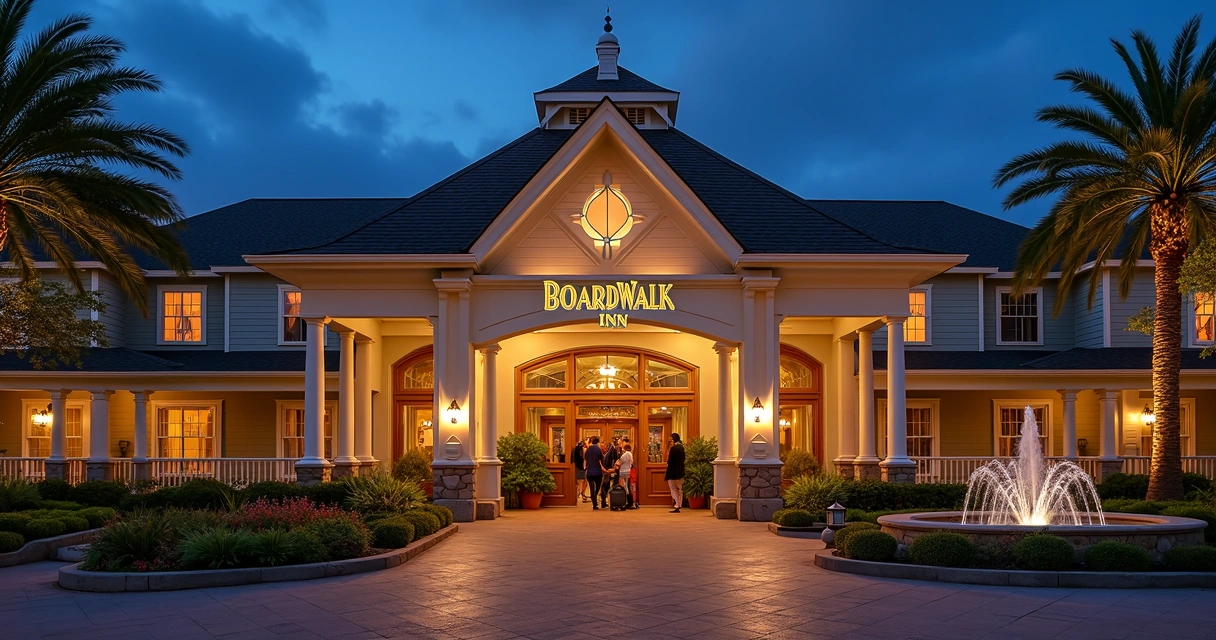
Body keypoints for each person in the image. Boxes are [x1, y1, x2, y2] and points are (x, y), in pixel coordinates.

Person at [665, 432, 686, 513]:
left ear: (673, 440)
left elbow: (670, 460)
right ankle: (680, 504)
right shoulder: (682, 448)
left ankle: (677, 504)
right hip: (680, 471)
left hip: (672, 472)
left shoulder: (673, 449)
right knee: (680, 488)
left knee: (673, 488)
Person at [583, 436, 605, 510]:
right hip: (598, 472)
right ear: (598, 442)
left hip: (589, 472)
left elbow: (585, 459)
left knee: (591, 487)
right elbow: (602, 459)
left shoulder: (588, 450)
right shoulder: (598, 450)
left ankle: (594, 504)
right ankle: (595, 497)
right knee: (597, 487)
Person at [599, 436, 621, 509]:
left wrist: (613, 468)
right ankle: (603, 501)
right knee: (603, 485)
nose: (602, 444)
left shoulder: (612, 448)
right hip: (601, 470)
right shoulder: (599, 449)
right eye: (601, 442)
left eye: (603, 441)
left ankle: (605, 501)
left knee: (606, 485)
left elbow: (615, 459)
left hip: (609, 470)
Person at [617, 443, 634, 509]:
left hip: (623, 471)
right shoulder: (630, 454)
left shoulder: (625, 454)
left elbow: (619, 463)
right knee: (628, 486)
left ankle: (629, 502)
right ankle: (630, 502)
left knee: (625, 487)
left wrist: (616, 464)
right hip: (628, 471)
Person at [573, 439, 588, 503]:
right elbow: (584, 459)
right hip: (581, 468)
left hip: (578, 467)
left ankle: (581, 495)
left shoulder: (574, 450)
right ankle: (580, 496)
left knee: (581, 483)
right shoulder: (581, 450)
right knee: (581, 482)